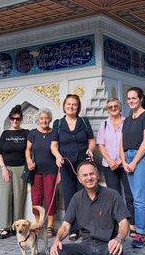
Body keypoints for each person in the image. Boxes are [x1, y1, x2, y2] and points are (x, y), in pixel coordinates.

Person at [50, 161, 129, 255]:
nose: (89, 178)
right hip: (85, 247)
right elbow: (65, 226)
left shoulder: (113, 195)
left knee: (116, 251)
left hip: (108, 246)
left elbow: (123, 223)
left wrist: (118, 239)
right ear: (79, 179)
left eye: (91, 174)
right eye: (85, 175)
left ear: (98, 175)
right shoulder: (76, 198)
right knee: (58, 251)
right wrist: (57, 240)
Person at [52, 94, 95, 241]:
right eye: (68, 104)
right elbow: (54, 146)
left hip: (83, 164)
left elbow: (91, 141)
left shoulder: (84, 121)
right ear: (64, 106)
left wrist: (90, 149)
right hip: (66, 164)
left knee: (84, 195)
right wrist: (57, 156)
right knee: (70, 197)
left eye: (74, 104)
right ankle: (73, 229)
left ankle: (86, 227)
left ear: (78, 107)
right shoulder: (58, 124)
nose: (71, 107)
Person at [119, 87, 145, 248]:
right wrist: (124, 160)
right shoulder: (127, 119)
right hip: (128, 157)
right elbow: (121, 142)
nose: (131, 101)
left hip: (143, 158)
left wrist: (134, 161)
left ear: (141, 99)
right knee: (141, 197)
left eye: (134, 98)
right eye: (128, 98)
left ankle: (141, 234)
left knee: (138, 199)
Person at [96, 97, 136, 237]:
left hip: (125, 164)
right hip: (109, 166)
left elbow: (130, 142)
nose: (113, 108)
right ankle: (120, 223)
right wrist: (110, 161)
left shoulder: (128, 122)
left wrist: (120, 160)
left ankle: (132, 224)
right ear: (107, 109)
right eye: (110, 107)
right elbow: (100, 144)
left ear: (120, 107)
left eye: (115, 106)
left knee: (130, 195)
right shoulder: (104, 125)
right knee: (115, 195)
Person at [0, 105, 29, 239]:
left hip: (20, 167)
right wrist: (3, 168)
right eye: (13, 118)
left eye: (17, 119)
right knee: (5, 196)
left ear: (21, 119)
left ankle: (17, 226)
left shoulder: (26, 133)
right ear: (9, 119)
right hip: (6, 168)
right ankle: (5, 227)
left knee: (18, 197)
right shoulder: (5, 134)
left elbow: (30, 150)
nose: (15, 121)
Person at [25, 108, 59, 237]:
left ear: (49, 119)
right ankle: (39, 224)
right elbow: (27, 149)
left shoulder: (54, 133)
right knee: (36, 198)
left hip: (51, 170)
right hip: (36, 171)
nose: (44, 120)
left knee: (50, 197)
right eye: (41, 118)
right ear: (38, 120)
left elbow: (55, 149)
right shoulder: (33, 133)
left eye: (46, 118)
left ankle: (50, 225)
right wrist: (29, 161)